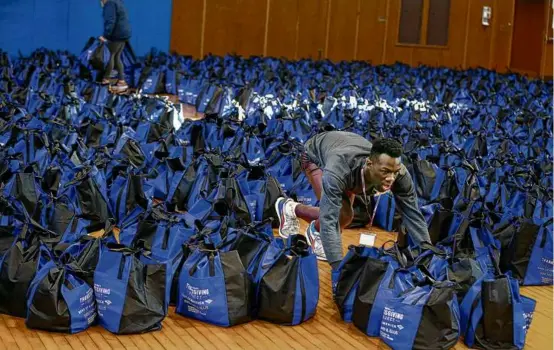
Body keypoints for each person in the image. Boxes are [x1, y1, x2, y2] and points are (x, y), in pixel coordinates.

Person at [275, 131, 433, 269]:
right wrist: (338, 267)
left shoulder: (400, 174)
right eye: (385, 172)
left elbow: (413, 214)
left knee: (347, 217)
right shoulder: (338, 170)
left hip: (346, 154)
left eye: (395, 172)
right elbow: (329, 220)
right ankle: (290, 208)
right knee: (339, 216)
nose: (391, 178)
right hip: (314, 156)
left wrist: (428, 253)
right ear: (369, 164)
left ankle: (314, 228)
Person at [99, 0, 131, 92]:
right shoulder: (118, 2)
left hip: (116, 34)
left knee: (110, 56)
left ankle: (105, 81)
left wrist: (105, 36)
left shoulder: (110, 4)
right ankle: (122, 81)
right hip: (123, 33)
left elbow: (110, 20)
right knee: (117, 57)